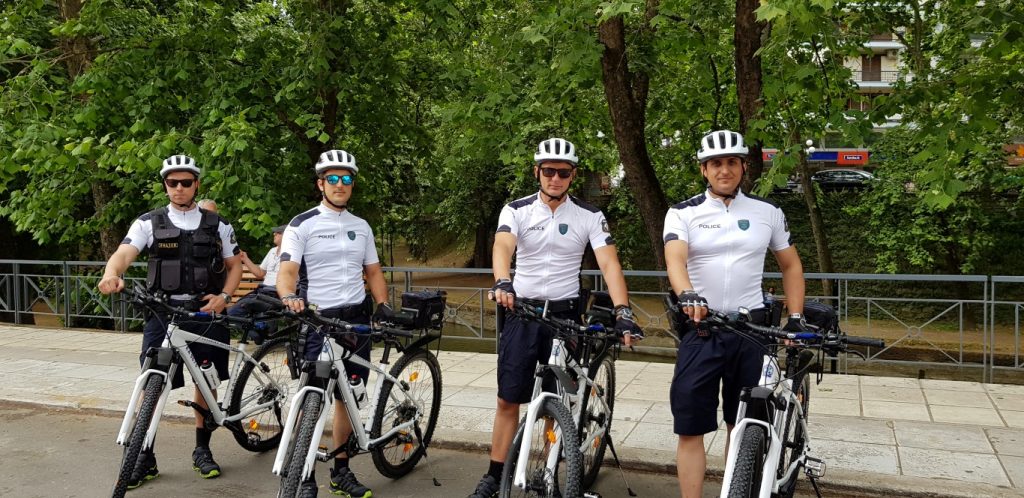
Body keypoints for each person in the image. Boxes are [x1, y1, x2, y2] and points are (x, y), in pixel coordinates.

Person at [467, 137, 644, 498]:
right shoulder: (516, 210)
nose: (555, 178)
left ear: (572, 176)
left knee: (556, 402)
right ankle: (493, 475)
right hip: (522, 312)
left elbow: (609, 264)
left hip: (565, 317)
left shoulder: (589, 215)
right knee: (508, 399)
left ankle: (547, 472)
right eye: (549, 171)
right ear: (537, 172)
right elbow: (503, 246)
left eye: (563, 173)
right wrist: (502, 280)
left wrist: (623, 310)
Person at [663, 130, 807, 498]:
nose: (723, 170)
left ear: (743, 167)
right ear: (704, 169)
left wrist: (795, 316)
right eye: (715, 163)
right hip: (702, 328)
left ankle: (736, 490)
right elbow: (675, 259)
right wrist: (687, 293)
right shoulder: (682, 213)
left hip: (751, 332)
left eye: (731, 162)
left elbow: (791, 265)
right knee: (690, 429)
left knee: (742, 424)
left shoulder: (767, 212)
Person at [97, 154, 242, 489]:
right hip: (162, 314)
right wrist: (111, 273)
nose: (179, 188)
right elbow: (123, 254)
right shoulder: (149, 222)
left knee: (206, 381)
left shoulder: (217, 224)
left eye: (186, 182)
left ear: (196, 185)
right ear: (165, 185)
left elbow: (234, 265)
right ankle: (143, 456)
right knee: (152, 382)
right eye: (172, 182)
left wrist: (225, 297)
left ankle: (202, 449)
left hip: (205, 315)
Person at [276, 149, 393, 498]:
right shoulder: (302, 224)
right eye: (332, 179)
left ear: (352, 184)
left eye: (346, 179)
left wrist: (383, 305)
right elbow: (287, 271)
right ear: (320, 184)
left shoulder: (361, 226)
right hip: (319, 319)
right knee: (311, 398)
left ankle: (341, 471)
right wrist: (288, 296)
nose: (339, 184)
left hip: (356, 321)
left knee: (348, 398)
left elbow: (373, 272)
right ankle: (303, 473)